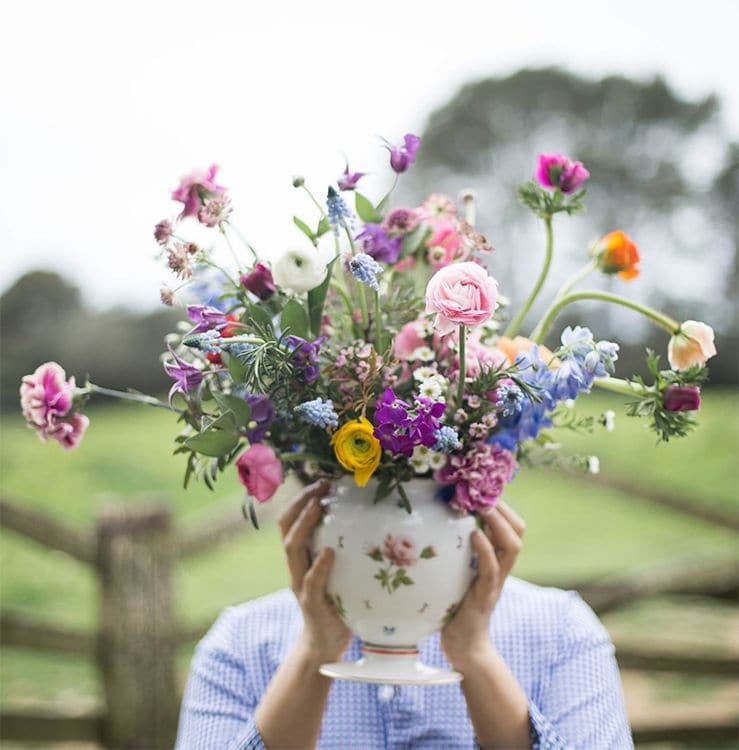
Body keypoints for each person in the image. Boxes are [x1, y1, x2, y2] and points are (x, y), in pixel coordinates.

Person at [176, 481, 633, 749]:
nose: (398, 521)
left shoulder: (562, 631)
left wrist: (474, 656)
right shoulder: (239, 643)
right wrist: (313, 654)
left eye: (428, 487)